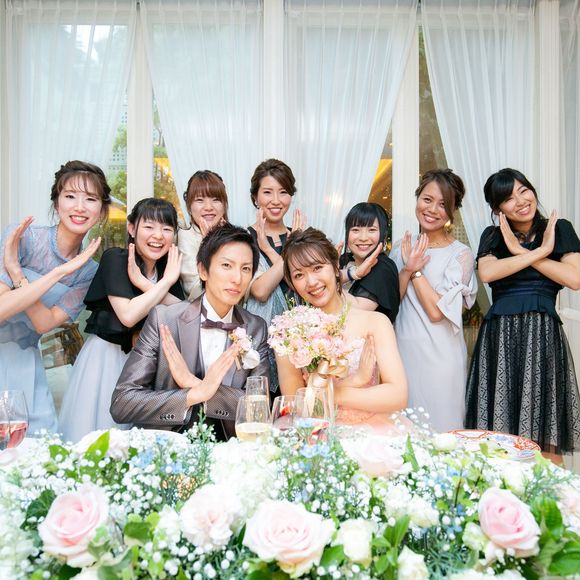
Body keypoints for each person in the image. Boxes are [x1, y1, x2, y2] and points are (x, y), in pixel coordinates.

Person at [110, 223, 270, 440]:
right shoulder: (165, 320)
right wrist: (194, 395)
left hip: (230, 446)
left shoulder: (255, 327)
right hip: (169, 444)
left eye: (246, 269)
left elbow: (260, 411)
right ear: (203, 270)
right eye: (226, 265)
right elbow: (122, 403)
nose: (237, 278)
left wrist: (192, 382)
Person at [465, 168, 580, 455]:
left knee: (547, 435)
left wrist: (520, 252)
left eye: (523, 190)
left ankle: (548, 484)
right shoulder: (493, 235)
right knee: (499, 439)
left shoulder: (559, 228)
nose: (520, 201)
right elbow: (488, 273)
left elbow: (574, 278)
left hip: (542, 335)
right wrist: (540, 252)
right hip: (500, 337)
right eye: (508, 198)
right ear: (498, 209)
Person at [59, 198, 185, 442]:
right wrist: (164, 285)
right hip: (105, 358)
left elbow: (183, 312)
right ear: (131, 228)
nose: (158, 235)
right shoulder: (115, 259)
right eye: (149, 226)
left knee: (134, 442)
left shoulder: (167, 270)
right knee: (96, 437)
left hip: (144, 364)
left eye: (167, 228)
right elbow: (128, 316)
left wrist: (146, 283)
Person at [0, 160, 109, 433]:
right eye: (70, 196)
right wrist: (58, 273)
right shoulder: (22, 237)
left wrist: (18, 274)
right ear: (57, 203)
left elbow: (44, 323)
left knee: (40, 443)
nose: (80, 207)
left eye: (91, 199)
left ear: (101, 210)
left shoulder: (88, 271)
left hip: (26, 361)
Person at [276, 228, 407, 430]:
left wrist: (333, 393)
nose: (311, 282)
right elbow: (297, 406)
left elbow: (397, 395)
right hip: (316, 435)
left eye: (318, 268)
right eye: (299, 275)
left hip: (372, 432)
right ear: (292, 282)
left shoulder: (376, 323)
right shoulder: (289, 332)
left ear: (336, 265)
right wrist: (357, 380)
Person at [390, 169, 477, 433]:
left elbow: (437, 312)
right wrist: (406, 268)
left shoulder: (460, 255)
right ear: (417, 198)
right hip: (401, 355)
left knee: (442, 433)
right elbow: (392, 302)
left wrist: (416, 271)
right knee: (403, 434)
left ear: (453, 210)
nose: (432, 209)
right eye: (427, 199)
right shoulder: (401, 247)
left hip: (441, 359)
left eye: (443, 204)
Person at [244, 159, 306, 392]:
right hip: (259, 339)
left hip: (301, 340)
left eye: (283, 192)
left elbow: (306, 287)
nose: (276, 200)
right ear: (255, 197)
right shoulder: (244, 239)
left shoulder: (301, 236)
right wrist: (290, 249)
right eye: (267, 192)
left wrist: (286, 245)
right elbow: (260, 291)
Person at [339, 202, 400, 324]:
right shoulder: (343, 260)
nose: (363, 238)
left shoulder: (382, 267)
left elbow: (355, 311)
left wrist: (329, 279)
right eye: (356, 230)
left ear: (383, 234)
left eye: (371, 230)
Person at [178, 170, 228, 301]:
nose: (208, 207)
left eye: (216, 200)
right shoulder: (185, 236)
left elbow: (249, 286)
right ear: (189, 206)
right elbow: (196, 290)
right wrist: (209, 244)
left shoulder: (236, 235)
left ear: (224, 205)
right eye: (200, 200)